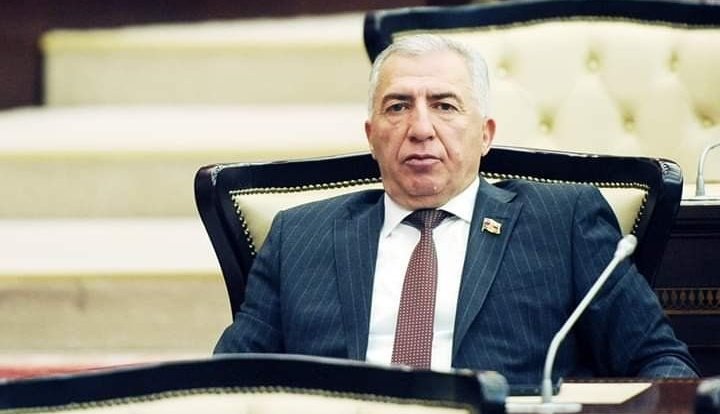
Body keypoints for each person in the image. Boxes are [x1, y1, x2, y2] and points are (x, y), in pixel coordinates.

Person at [214, 34, 698, 384]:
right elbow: (226, 382)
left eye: (445, 106)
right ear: (372, 136)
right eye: (398, 106)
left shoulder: (563, 221)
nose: (421, 128)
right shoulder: (300, 236)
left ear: (485, 134)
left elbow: (661, 362)